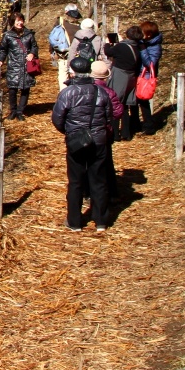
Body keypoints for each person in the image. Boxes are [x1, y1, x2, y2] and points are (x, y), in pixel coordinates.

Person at [52, 56, 114, 232]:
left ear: (73, 72)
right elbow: (109, 117)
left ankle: (74, 221)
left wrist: (70, 132)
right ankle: (101, 221)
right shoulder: (101, 92)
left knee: (76, 181)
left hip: (76, 142)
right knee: (99, 180)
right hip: (99, 140)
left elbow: (57, 119)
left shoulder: (67, 93)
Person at [0, 12, 39, 121]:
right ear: (13, 22)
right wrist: (0, 60)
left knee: (25, 89)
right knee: (12, 89)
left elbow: (34, 46)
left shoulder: (29, 34)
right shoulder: (8, 35)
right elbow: (3, 50)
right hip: (13, 66)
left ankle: (20, 111)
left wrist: (32, 54)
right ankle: (13, 111)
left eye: (21, 20)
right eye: (17, 21)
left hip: (26, 66)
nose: (20, 23)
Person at [91, 60, 125, 197]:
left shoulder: (83, 90)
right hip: (104, 132)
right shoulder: (109, 92)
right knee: (107, 163)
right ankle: (111, 193)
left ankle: (88, 192)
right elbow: (118, 112)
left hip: (84, 132)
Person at [104, 25, 143, 140]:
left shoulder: (121, 46)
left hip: (120, 76)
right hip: (131, 77)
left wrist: (107, 43)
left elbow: (108, 52)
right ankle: (126, 133)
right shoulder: (138, 46)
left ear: (128, 34)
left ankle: (115, 134)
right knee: (125, 105)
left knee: (115, 104)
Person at [48, 5, 83, 91]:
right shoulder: (80, 25)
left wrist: (52, 51)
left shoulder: (61, 22)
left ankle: (65, 94)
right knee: (74, 76)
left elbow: (53, 37)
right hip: (75, 54)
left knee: (64, 75)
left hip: (65, 54)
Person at [138, 20, 163, 133]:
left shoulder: (155, 47)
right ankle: (138, 124)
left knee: (143, 100)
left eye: (142, 32)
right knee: (136, 100)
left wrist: (143, 49)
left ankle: (149, 125)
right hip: (139, 74)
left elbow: (150, 64)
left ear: (149, 34)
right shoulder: (144, 42)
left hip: (146, 77)